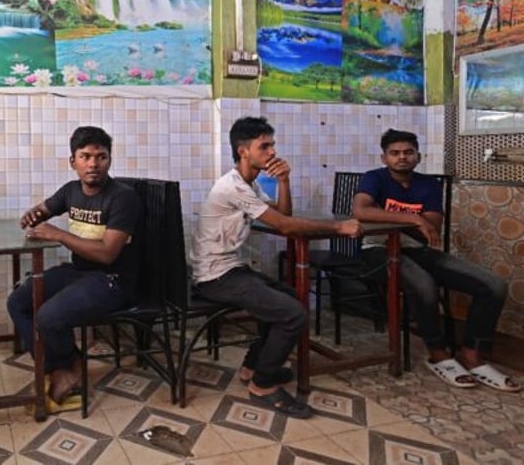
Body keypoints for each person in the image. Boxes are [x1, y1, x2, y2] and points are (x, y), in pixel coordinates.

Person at [189, 117, 363, 419]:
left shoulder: (250, 184)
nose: (272, 151)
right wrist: (339, 227)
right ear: (244, 151)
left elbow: (283, 214)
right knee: (293, 313)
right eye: (264, 146)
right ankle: (263, 384)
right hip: (215, 276)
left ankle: (252, 367)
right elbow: (284, 224)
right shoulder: (231, 187)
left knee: (288, 298)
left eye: (272, 145)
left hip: (230, 268)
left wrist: (284, 181)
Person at [353, 129, 519, 392]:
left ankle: (472, 353)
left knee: (494, 285)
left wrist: (399, 219)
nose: (402, 158)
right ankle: (438, 353)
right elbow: (361, 211)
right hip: (378, 250)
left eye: (408, 152)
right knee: (424, 286)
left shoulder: (428, 184)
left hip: (419, 250)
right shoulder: (374, 178)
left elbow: (433, 224)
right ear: (384, 157)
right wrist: (414, 219)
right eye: (394, 153)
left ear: (419, 156)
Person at [6, 126, 141, 405]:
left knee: (49, 315)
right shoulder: (70, 191)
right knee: (18, 301)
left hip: (113, 279)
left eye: (101, 157)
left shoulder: (122, 197)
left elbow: (107, 254)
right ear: (73, 161)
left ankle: (66, 369)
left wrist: (58, 234)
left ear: (109, 160)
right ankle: (60, 367)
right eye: (85, 156)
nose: (93, 164)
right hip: (80, 273)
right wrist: (32, 215)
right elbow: (43, 209)